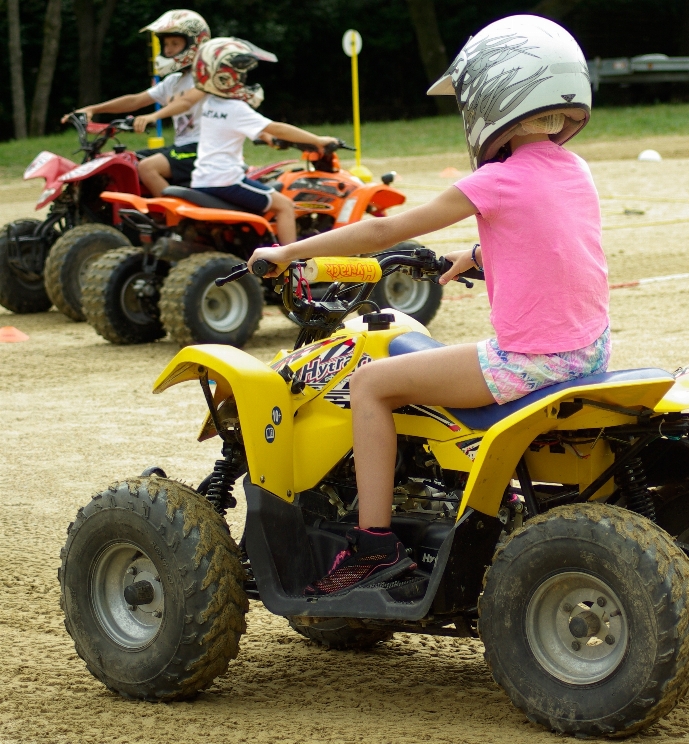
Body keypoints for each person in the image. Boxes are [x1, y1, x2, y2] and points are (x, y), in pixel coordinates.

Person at [246, 15, 610, 596]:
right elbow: (553, 239)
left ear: (494, 97)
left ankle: (374, 547)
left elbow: (380, 232)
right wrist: (473, 253)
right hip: (586, 352)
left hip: (528, 362)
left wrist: (289, 251)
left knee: (370, 384)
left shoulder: (496, 182)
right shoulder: (576, 169)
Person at [133, 37, 337, 245]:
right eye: (241, 74)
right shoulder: (235, 108)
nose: (243, 79)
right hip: (228, 181)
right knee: (284, 205)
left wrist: (267, 138)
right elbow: (276, 127)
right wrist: (318, 140)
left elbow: (249, 129)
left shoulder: (210, 104)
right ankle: (291, 263)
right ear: (226, 76)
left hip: (203, 181)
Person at [62, 10, 210, 197]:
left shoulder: (205, 78)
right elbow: (135, 100)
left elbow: (186, 102)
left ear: (195, 44)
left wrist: (153, 116)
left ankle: (175, 221)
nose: (168, 49)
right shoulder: (173, 81)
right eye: (165, 44)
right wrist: (93, 109)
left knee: (148, 168)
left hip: (202, 149)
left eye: (175, 43)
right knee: (126, 162)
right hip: (182, 148)